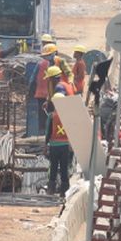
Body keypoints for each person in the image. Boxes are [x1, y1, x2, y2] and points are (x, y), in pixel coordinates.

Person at [43, 66, 72, 195]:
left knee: (53, 168)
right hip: (65, 146)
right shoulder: (68, 116)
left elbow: (48, 132)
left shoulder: (51, 116)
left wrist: (45, 145)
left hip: (54, 146)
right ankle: (65, 189)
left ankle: (51, 188)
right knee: (65, 168)